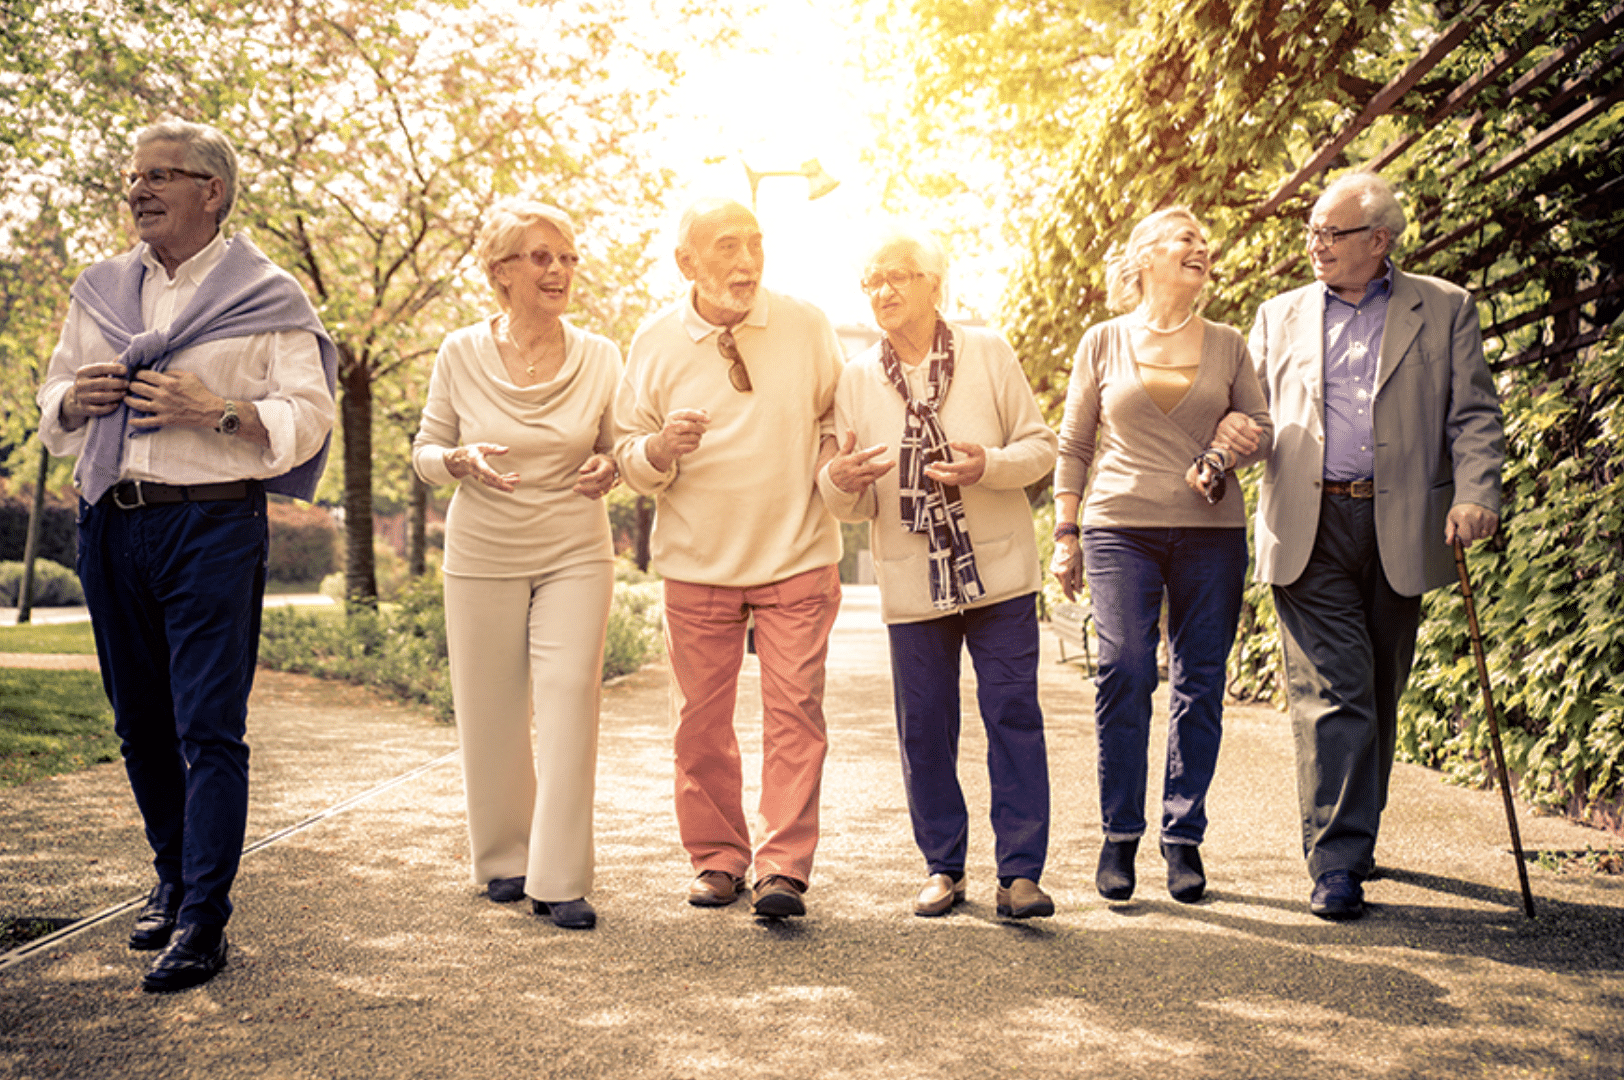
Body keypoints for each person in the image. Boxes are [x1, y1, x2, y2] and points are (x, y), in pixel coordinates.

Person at [36, 119, 337, 992]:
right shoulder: (97, 291)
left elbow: (307, 417)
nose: (138, 190)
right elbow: (53, 394)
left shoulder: (271, 296)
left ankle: (205, 917)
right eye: (133, 177)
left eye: (160, 175)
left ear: (213, 191)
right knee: (138, 723)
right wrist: (73, 397)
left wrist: (219, 412)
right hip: (111, 522)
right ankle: (171, 875)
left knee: (208, 725)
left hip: (211, 525)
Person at [1234, 171, 1504, 920]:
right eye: (1312, 231)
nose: (1314, 245)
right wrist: (1230, 440)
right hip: (1307, 523)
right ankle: (1338, 862)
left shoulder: (1444, 307)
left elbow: (1474, 416)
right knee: (1335, 692)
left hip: (1401, 523)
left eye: (1331, 232)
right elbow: (1253, 417)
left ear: (1378, 241)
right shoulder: (1278, 315)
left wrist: (1479, 491)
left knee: (1380, 688)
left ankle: (1354, 830)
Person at [613, 197, 844, 919]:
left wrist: (840, 469)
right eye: (725, 248)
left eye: (755, 242)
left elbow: (839, 415)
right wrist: (658, 451)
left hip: (797, 553)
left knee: (795, 715)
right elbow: (625, 449)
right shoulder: (653, 342)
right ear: (687, 263)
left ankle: (783, 868)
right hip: (697, 562)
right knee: (698, 724)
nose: (746, 261)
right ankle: (717, 858)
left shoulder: (806, 324)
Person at [820, 227, 1059, 919]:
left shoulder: (987, 351)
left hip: (999, 572)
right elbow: (853, 498)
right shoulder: (857, 379)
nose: (882, 291)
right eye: (871, 281)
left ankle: (1019, 873)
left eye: (896, 276)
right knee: (924, 725)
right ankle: (942, 867)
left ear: (934, 283)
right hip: (912, 576)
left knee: (1013, 713)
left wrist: (990, 464)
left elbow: (1040, 446)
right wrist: (838, 480)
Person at [1050, 207, 1272, 906]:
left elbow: (1262, 429)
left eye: (1205, 243)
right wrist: (1065, 532)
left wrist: (1240, 436)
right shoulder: (1103, 341)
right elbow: (1075, 443)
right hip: (1119, 525)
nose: (1200, 249)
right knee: (1124, 668)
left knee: (1201, 681)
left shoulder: (1229, 343)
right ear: (1145, 257)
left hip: (1210, 531)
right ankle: (1120, 834)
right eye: (1185, 240)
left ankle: (1183, 837)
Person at [411, 199, 620, 931]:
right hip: (482, 552)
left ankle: (559, 878)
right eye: (540, 257)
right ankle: (504, 858)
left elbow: (616, 448)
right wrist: (456, 461)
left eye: (565, 257)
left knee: (569, 700)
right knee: (490, 708)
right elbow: (425, 450)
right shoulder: (459, 353)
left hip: (573, 548)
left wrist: (609, 467)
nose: (559, 270)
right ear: (501, 273)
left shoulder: (600, 355)